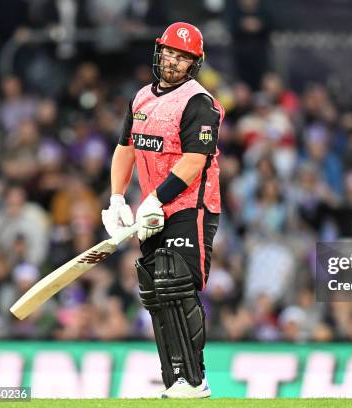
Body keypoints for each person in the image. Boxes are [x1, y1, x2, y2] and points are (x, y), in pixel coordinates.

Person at [101, 22, 223, 399]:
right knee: (155, 291)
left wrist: (157, 198)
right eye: (169, 53)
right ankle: (174, 381)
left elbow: (194, 162)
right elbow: (126, 149)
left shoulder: (199, 102)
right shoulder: (140, 99)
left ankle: (195, 379)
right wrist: (118, 199)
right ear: (158, 54)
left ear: (194, 63)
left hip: (191, 206)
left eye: (182, 57)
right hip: (152, 211)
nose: (173, 62)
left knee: (177, 283)